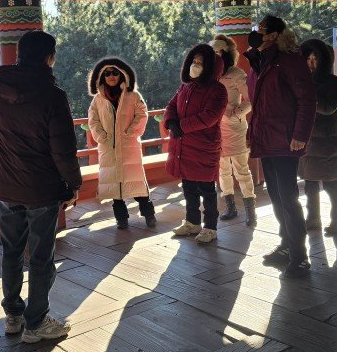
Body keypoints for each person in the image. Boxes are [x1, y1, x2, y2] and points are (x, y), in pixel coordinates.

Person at [0, 25, 81, 344]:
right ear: (50, 58)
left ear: (19, 55)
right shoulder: (53, 96)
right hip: (41, 189)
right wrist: (74, 183)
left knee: (12, 252)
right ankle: (36, 323)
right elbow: (63, 149)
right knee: (41, 258)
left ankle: (13, 316)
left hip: (7, 187)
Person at [246, 15, 316, 278]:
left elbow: (307, 99)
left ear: (274, 35)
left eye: (261, 30)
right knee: (276, 197)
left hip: (286, 139)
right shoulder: (259, 62)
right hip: (266, 139)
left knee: (288, 198)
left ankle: (300, 257)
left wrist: (300, 134)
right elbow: (259, 104)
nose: (256, 34)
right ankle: (286, 244)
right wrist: (252, 132)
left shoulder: (289, 60)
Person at [164, 44, 228, 243]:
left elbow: (209, 117)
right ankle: (192, 222)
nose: (196, 65)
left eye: (201, 62)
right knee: (188, 187)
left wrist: (181, 126)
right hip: (183, 147)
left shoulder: (218, 90)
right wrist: (171, 122)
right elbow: (172, 105)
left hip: (203, 148)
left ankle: (210, 227)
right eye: (194, 61)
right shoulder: (186, 86)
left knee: (207, 190)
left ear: (210, 67)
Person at [87, 57, 156, 230]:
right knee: (115, 189)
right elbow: (93, 121)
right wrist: (101, 136)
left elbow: (142, 114)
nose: (111, 76)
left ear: (122, 74)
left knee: (138, 185)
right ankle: (121, 219)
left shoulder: (133, 95)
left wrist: (130, 132)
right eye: (107, 73)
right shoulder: (98, 99)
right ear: (101, 77)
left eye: (115, 73)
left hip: (128, 146)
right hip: (108, 147)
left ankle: (149, 215)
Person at [298, 39, 337, 236]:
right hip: (307, 140)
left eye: (315, 58)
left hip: (327, 141)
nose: (311, 62)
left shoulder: (333, 82)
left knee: (331, 183)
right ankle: (312, 219)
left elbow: (328, 108)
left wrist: (308, 92)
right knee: (309, 184)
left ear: (324, 60)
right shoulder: (302, 80)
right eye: (308, 58)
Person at [210, 34, 257, 227]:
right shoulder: (208, 75)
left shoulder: (237, 74)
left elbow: (252, 98)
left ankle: (250, 211)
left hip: (235, 128)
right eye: (212, 52)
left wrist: (236, 113)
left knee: (241, 169)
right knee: (223, 170)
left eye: (219, 52)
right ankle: (230, 207)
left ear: (227, 53)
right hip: (215, 129)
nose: (215, 55)